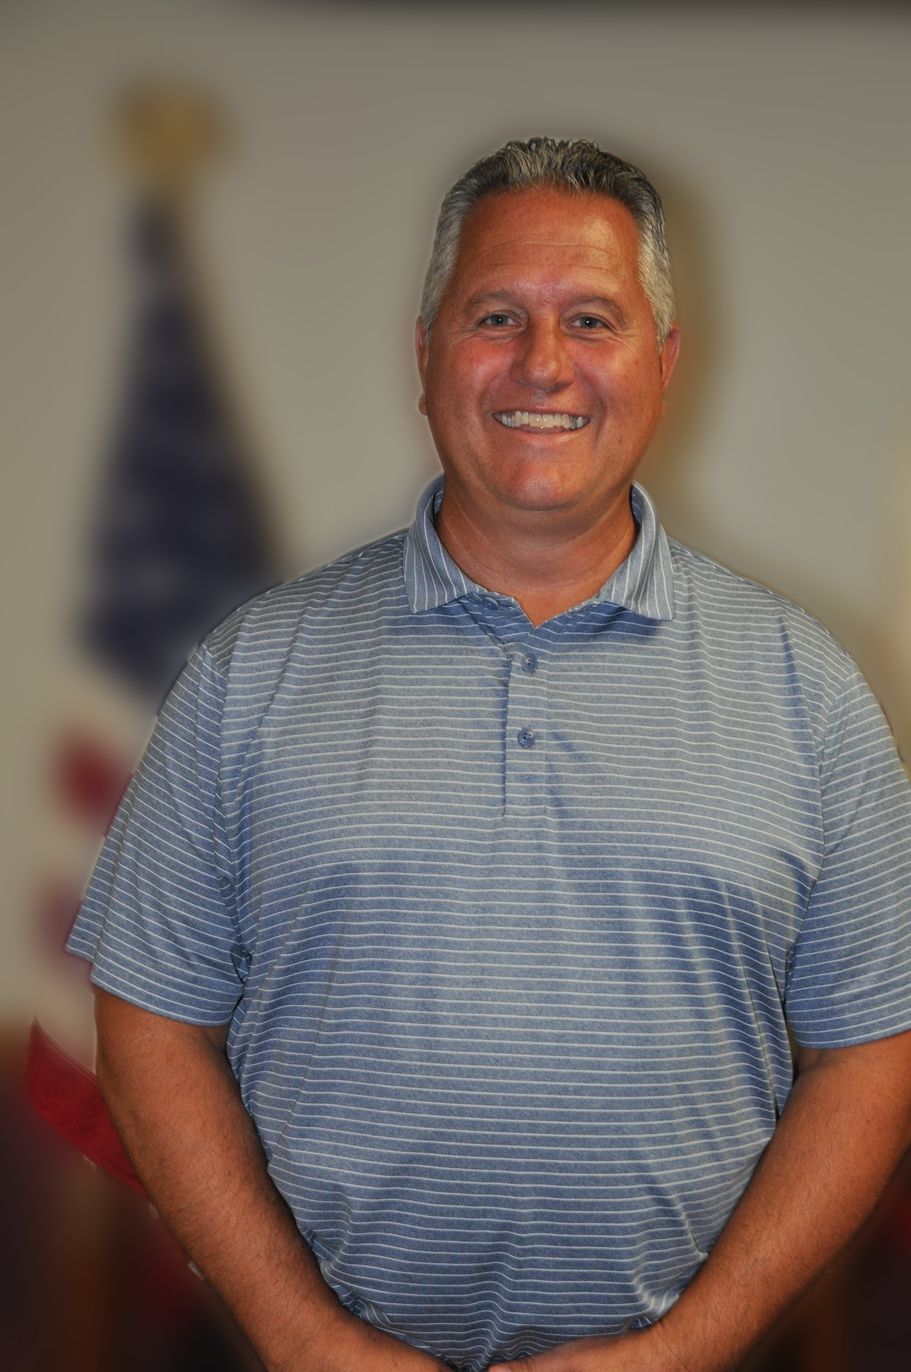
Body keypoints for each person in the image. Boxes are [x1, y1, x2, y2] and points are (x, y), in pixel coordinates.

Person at [67, 138, 911, 1372]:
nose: (542, 363)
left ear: (662, 364)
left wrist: (688, 1348)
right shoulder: (253, 672)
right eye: (495, 316)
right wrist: (304, 1341)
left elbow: (873, 1049)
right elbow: (148, 1020)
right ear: (424, 357)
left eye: (590, 318)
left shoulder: (806, 689)